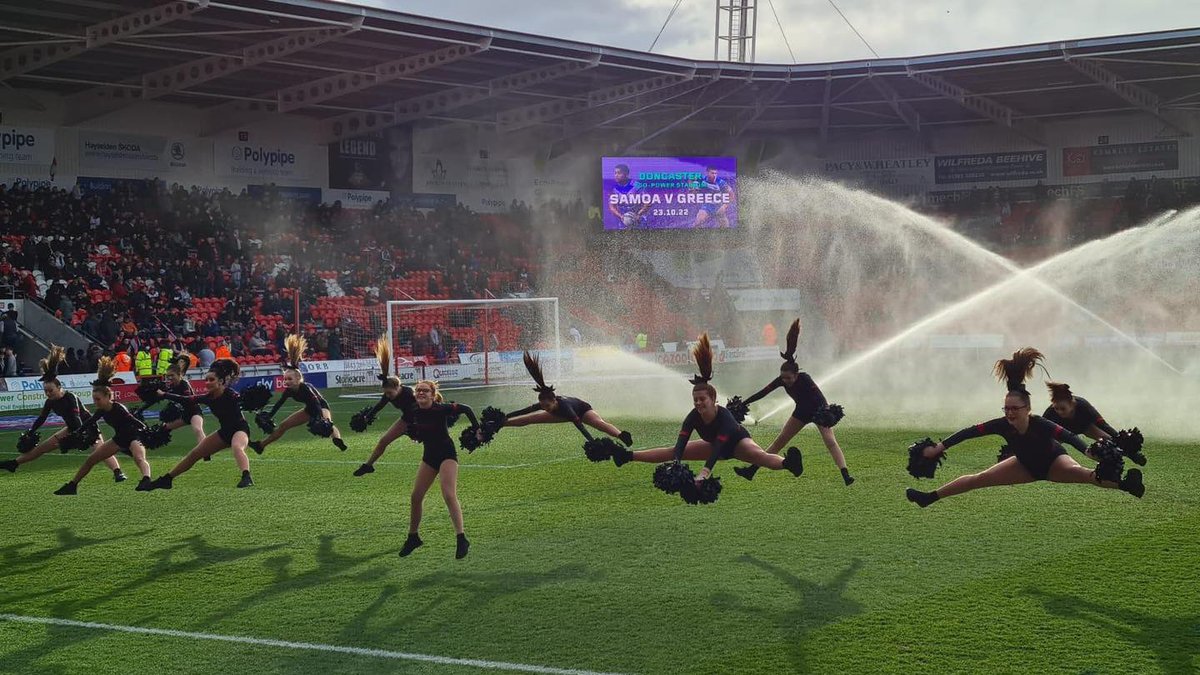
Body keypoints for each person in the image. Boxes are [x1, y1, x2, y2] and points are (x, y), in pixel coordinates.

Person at [905, 348, 1145, 508]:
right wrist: (940, 447)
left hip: (1054, 463)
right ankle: (929, 498)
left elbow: (1069, 437)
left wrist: (1089, 452)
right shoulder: (1001, 424)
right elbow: (969, 432)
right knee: (979, 479)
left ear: (1027, 409)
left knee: (1088, 476)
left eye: (1015, 408)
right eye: (1006, 408)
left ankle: (1127, 485)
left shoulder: (1040, 423)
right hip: (1024, 466)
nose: (1009, 412)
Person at [610, 334, 804, 484]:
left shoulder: (725, 417)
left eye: (702, 399)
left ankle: (789, 464)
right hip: (713, 445)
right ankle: (627, 456)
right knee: (672, 451)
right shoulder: (692, 417)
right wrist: (676, 464)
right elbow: (680, 445)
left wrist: (705, 473)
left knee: (760, 457)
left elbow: (719, 447)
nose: (698, 403)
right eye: (695, 400)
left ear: (713, 399)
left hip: (737, 443)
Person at [733, 319, 854, 485]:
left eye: (788, 378)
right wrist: (744, 403)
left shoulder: (805, 378)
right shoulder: (781, 380)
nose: (785, 381)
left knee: (831, 442)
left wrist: (826, 412)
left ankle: (845, 474)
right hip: (801, 412)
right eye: (783, 377)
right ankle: (751, 471)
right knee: (779, 442)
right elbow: (763, 392)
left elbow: (819, 396)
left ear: (796, 375)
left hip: (819, 412)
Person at [1, 345, 125, 482]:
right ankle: (13, 463)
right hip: (72, 428)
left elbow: (76, 417)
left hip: (87, 426)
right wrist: (31, 431)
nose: (48, 393)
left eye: (51, 390)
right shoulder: (50, 402)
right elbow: (42, 418)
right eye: (46, 391)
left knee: (100, 450)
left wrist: (79, 434)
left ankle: (118, 472)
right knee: (42, 448)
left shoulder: (70, 397)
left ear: (59, 387)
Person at [397, 379, 480, 560]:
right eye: (418, 390)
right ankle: (413, 537)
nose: (421, 393)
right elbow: (416, 432)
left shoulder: (441, 409)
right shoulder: (414, 411)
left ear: (433, 395)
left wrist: (477, 429)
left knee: (449, 495)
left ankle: (461, 538)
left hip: (447, 455)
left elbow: (466, 408)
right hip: (429, 457)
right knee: (416, 496)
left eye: (425, 391)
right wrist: (412, 434)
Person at [147, 358, 256, 490]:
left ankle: (246, 477)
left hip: (240, 429)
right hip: (224, 432)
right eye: (206, 380)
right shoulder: (208, 397)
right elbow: (186, 399)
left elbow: (246, 402)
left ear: (221, 381)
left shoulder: (231, 394)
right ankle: (167, 479)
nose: (208, 383)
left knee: (237, 446)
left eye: (211, 380)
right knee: (194, 454)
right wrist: (164, 395)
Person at [52, 357, 153, 495]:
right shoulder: (101, 410)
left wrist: (146, 430)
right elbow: (90, 421)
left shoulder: (118, 408)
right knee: (91, 460)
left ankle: (146, 480)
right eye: (94, 399)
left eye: (98, 399)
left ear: (107, 396)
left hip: (134, 437)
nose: (96, 402)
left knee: (139, 458)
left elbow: (132, 420)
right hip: (119, 439)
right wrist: (77, 433)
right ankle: (72, 486)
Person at [503, 351, 632, 446]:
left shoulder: (565, 407)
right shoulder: (546, 404)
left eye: (547, 406)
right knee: (530, 419)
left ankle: (621, 435)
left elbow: (580, 427)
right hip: (561, 414)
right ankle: (500, 424)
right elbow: (524, 411)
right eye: (543, 406)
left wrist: (592, 443)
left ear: (554, 401)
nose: (545, 409)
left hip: (582, 410)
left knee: (599, 424)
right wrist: (505, 416)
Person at [249, 334, 347, 454]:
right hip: (309, 409)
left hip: (321, 407)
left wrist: (319, 418)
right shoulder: (289, 391)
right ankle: (261, 445)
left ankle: (338, 440)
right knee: (283, 426)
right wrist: (269, 415)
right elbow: (279, 404)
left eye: (289, 379)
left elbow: (316, 402)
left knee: (327, 424)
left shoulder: (305, 388)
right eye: (285, 379)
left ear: (298, 379)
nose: (286, 382)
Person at [351, 337, 418, 477]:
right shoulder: (388, 395)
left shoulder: (409, 393)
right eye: (385, 393)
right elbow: (378, 406)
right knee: (383, 441)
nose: (388, 396)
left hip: (421, 420)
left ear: (397, 387)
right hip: (406, 419)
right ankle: (368, 466)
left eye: (389, 393)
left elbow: (422, 408)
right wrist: (367, 417)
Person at [1041, 382, 1144, 465]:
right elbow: (1039, 431)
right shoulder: (1050, 413)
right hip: (1060, 433)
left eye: (1063, 408)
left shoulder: (1083, 405)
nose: (1059, 412)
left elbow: (1104, 426)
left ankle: (1130, 456)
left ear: (1072, 404)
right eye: (1056, 408)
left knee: (1109, 440)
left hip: (1084, 427)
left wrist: (1127, 446)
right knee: (1047, 447)